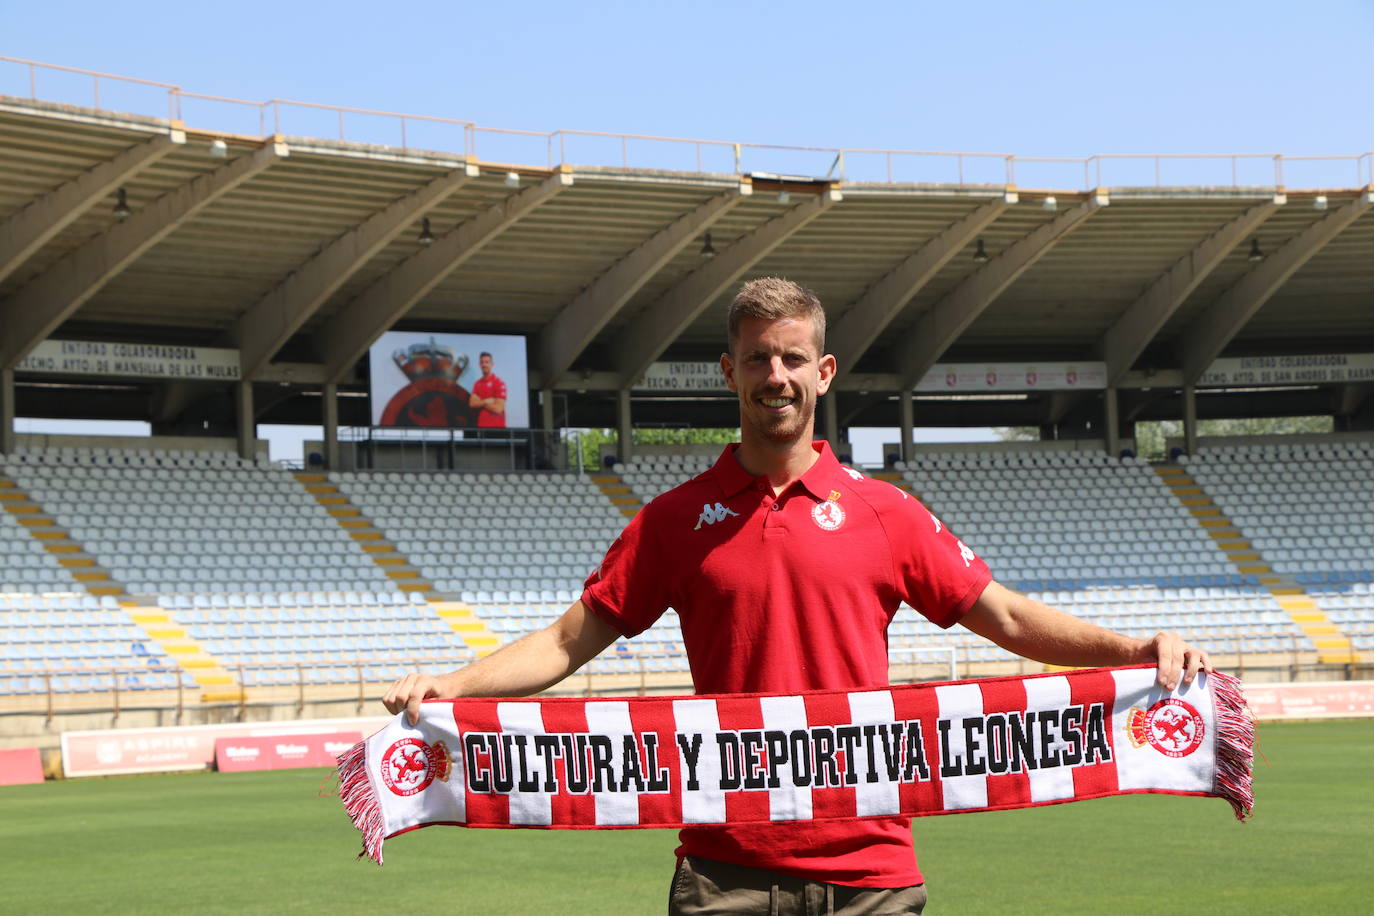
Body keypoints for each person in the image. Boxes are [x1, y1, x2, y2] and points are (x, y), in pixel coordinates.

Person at [385, 277, 1212, 915]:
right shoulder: (673, 522)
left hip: (871, 873)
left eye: (790, 358)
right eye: (756, 358)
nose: (773, 375)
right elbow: (568, 642)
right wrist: (451, 686)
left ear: (822, 372)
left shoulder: (887, 512)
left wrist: (1134, 650)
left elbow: (1006, 616)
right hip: (724, 876)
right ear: (729, 370)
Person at [468, 351, 507, 428]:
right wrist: (486, 401)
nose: (484, 364)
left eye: (487, 362)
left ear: (492, 364)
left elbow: (498, 409)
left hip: (497, 428)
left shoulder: (499, 383)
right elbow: (472, 404)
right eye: (482, 362)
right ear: (479, 364)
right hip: (481, 427)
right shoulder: (477, 384)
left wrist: (480, 402)